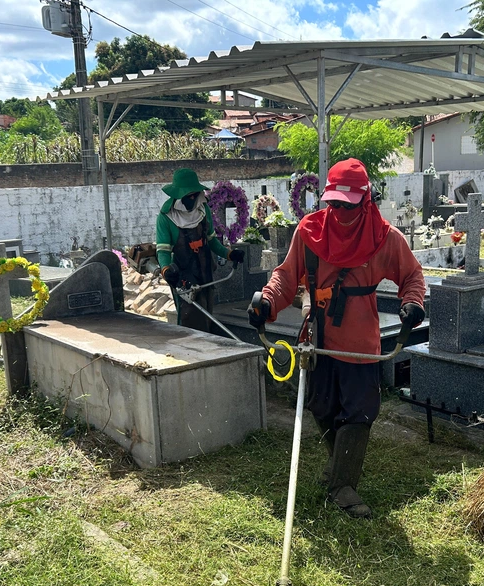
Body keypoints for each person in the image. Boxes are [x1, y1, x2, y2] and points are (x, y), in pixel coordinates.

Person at [248, 158, 426, 519]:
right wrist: (267, 301)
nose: (341, 211)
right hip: (318, 336)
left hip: (360, 340)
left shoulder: (384, 237)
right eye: (335, 203)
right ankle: (339, 468)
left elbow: (412, 276)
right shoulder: (309, 232)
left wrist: (412, 303)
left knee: (359, 411)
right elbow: (286, 276)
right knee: (322, 406)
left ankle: (342, 486)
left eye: (349, 204)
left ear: (366, 200)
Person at [156, 168, 244, 334]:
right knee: (191, 319)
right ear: (179, 195)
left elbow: (212, 242)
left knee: (207, 315)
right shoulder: (166, 217)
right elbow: (163, 250)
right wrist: (166, 270)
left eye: (195, 195)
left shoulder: (203, 211)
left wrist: (229, 254)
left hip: (205, 271)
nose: (193, 199)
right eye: (188, 196)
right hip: (183, 277)